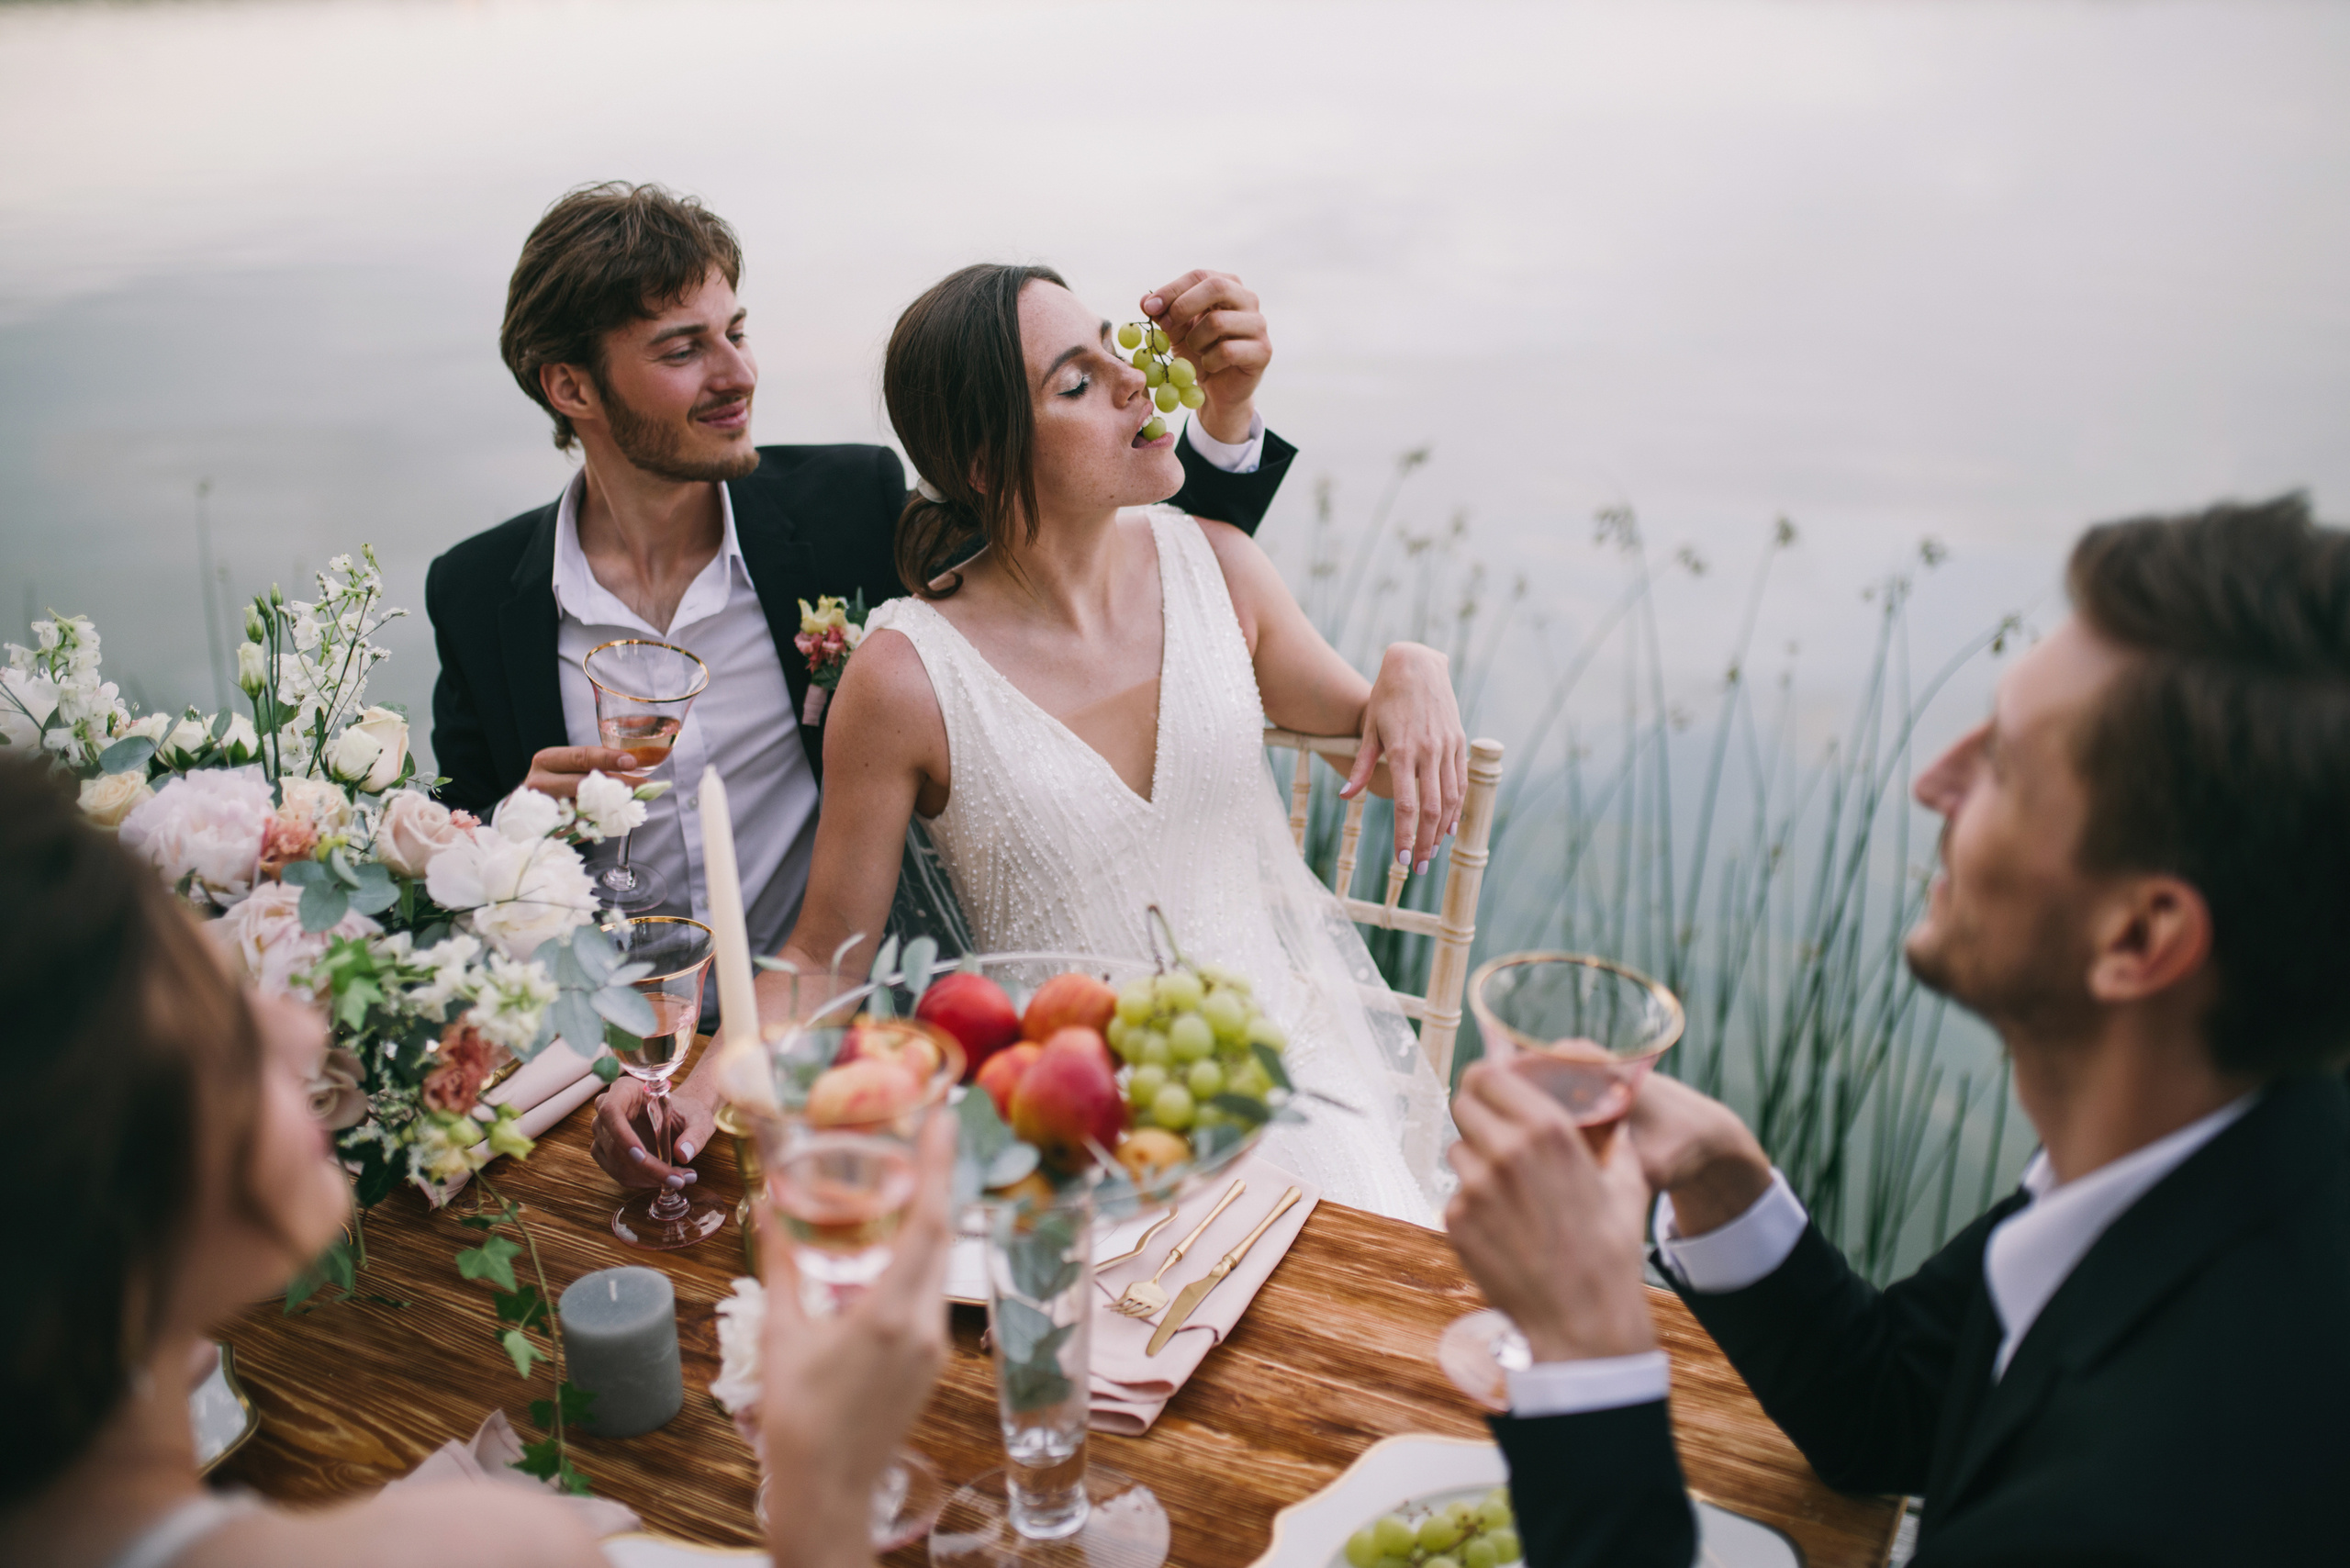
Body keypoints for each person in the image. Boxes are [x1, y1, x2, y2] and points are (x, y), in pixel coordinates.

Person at [1443, 496, 2350, 1565]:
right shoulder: (2209, 1148)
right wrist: (1725, 1177)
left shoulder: (2162, 1502)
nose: (1933, 783)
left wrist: (1588, 1352)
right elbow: (1894, 1413)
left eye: (2003, 764)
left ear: (2139, 936)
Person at [424, 183, 1297, 1193]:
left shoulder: (846, 504)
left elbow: (1087, 553)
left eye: (736, 331)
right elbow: (459, 839)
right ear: (571, 388)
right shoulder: (480, 591)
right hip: (586, 1068)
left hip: (829, 1046)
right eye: (683, 349)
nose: (737, 374)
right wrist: (514, 822)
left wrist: (1223, 420)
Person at [0, 759, 957, 1568]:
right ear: (73, 1145)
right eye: (216, 1016)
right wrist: (826, 1497)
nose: (297, 1023)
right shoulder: (485, 1547)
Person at [744, 262, 1468, 1222]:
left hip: (1298, 1090)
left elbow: (1371, 749)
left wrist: (1414, 664)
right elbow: (824, 959)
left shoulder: (1219, 564)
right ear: (988, 465)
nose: (1136, 380)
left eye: (1113, 349)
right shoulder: (902, 677)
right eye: (1075, 382)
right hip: (1072, 1143)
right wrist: (707, 1077)